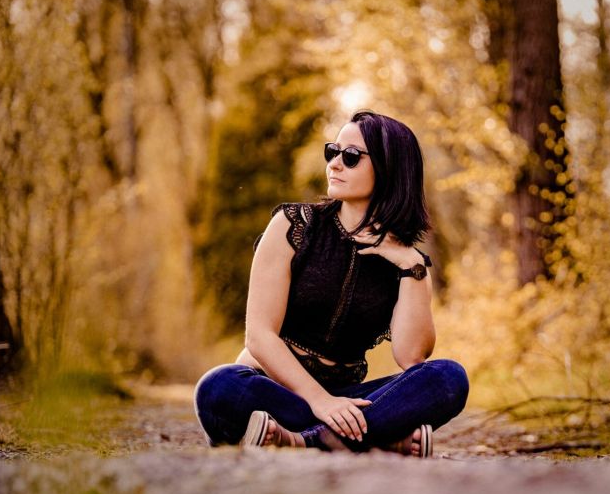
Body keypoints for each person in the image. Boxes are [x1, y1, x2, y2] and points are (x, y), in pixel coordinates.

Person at [193, 110, 469, 457]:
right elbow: (259, 336)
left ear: (389, 169)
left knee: (448, 378)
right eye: (332, 151)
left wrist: (410, 265)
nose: (335, 163)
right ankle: (377, 439)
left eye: (350, 156)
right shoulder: (294, 226)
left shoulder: (409, 262)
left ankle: (300, 441)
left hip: (343, 399)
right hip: (273, 389)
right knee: (218, 387)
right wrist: (321, 401)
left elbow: (411, 358)